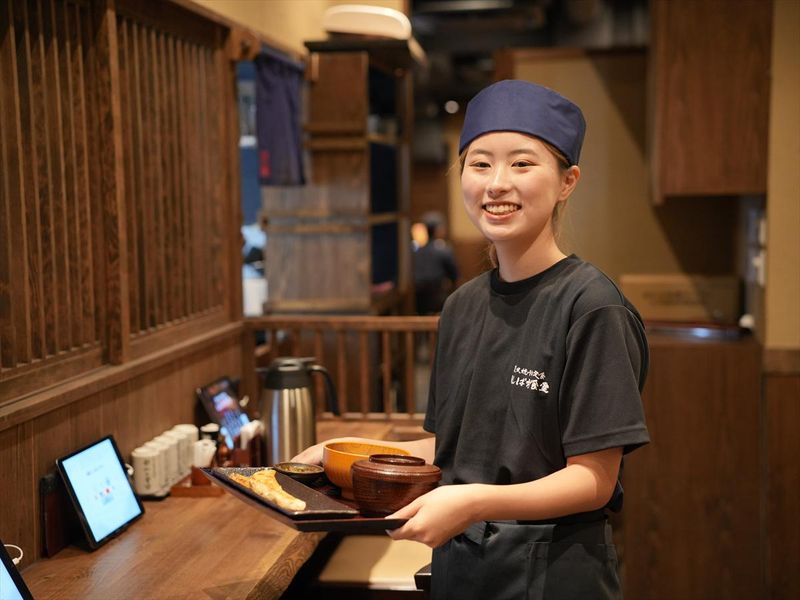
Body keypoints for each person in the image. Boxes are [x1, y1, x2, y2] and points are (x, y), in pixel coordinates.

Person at [293, 80, 649, 599]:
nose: (497, 184)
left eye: (522, 164)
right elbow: (454, 447)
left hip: (553, 573)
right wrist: (343, 453)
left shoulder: (592, 306)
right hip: (463, 569)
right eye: (480, 164)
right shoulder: (462, 306)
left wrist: (470, 503)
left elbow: (592, 480)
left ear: (567, 181)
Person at [413, 211, 459, 315]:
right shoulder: (443, 249)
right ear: (438, 229)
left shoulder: (417, 249)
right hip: (438, 296)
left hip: (418, 296)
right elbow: (454, 274)